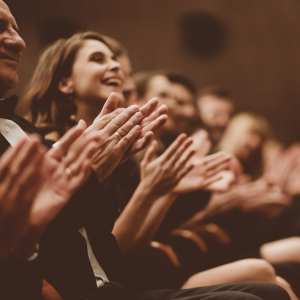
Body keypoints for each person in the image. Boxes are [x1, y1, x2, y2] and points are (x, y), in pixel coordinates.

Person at [1, 3, 292, 299]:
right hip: (101, 284)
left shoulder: (31, 131)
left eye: (118, 62)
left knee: (270, 288)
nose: (116, 68)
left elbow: (110, 248)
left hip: (122, 279)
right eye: (99, 59)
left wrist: (163, 191)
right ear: (65, 82)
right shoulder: (52, 143)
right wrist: (155, 191)